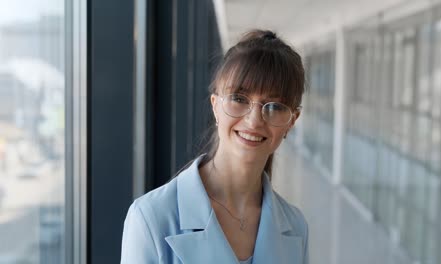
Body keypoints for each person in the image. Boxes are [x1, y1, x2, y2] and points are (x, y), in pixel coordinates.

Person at [121, 29, 309, 264]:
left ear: (292, 121)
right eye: (239, 99)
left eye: (274, 106)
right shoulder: (151, 218)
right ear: (215, 106)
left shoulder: (296, 227)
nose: (254, 121)